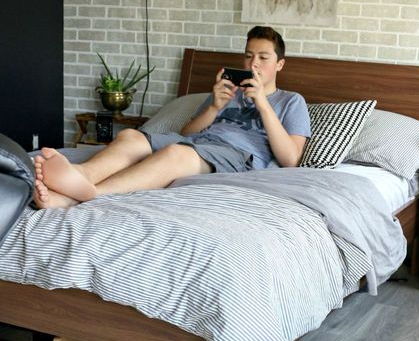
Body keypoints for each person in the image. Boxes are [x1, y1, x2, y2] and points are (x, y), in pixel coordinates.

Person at [33, 26, 311, 209]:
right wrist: (214, 106)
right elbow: (189, 134)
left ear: (280, 64)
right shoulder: (228, 91)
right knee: (131, 136)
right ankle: (81, 174)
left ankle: (89, 196)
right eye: (249, 56)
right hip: (199, 143)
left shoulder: (291, 101)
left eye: (263, 57)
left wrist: (263, 103)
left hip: (236, 155)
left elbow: (290, 159)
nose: (253, 64)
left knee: (177, 154)